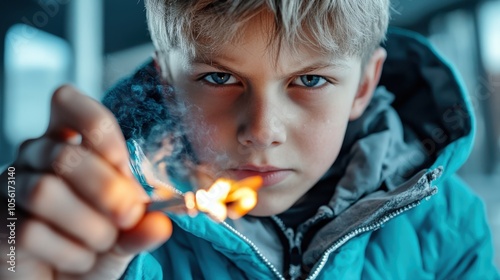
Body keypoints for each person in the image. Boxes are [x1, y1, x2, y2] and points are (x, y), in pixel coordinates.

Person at [1, 0, 499, 279]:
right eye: (219, 79)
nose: (261, 131)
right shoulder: (117, 238)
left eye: (309, 81)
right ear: (169, 85)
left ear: (363, 87)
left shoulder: (450, 226)